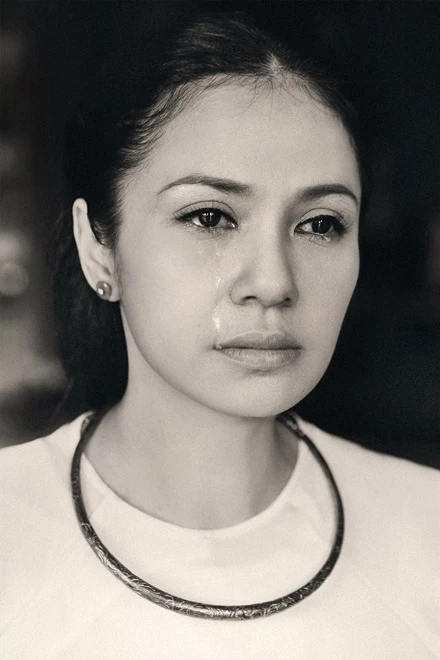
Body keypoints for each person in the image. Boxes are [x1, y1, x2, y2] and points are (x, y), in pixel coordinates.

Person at [1, 10, 439, 659]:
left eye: (320, 224)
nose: (274, 282)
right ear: (99, 246)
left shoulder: (426, 531)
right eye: (210, 217)